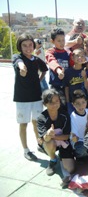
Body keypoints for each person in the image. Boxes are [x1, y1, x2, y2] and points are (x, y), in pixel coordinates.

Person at [13, 33, 48, 161]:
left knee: (36, 122)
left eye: (30, 45)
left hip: (36, 97)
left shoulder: (37, 60)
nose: (28, 48)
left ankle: (40, 144)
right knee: (23, 124)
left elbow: (44, 69)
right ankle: (26, 150)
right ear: (20, 46)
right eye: (24, 45)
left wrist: (40, 79)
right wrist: (22, 69)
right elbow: (19, 63)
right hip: (22, 98)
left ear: (34, 45)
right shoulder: (17, 57)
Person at [37, 89, 75, 181]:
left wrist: (54, 136)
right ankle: (53, 159)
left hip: (63, 141)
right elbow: (44, 139)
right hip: (50, 142)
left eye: (57, 101)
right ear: (45, 104)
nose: (54, 104)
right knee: (49, 143)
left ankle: (61, 154)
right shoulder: (41, 118)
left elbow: (67, 136)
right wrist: (48, 135)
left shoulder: (65, 115)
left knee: (70, 169)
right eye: (51, 102)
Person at [45, 28, 70, 106]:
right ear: (52, 41)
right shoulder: (50, 52)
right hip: (56, 86)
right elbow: (51, 61)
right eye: (59, 41)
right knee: (56, 106)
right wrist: (59, 70)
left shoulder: (68, 53)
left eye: (63, 40)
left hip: (67, 86)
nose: (62, 43)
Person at [63, 48, 88, 114]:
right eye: (77, 56)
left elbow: (87, 87)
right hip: (72, 102)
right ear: (72, 57)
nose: (80, 57)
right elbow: (66, 87)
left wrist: (84, 77)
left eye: (82, 56)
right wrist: (67, 101)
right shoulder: (68, 72)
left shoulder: (86, 71)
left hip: (84, 101)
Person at [70, 89, 88, 160]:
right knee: (82, 150)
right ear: (73, 104)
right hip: (79, 142)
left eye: (83, 102)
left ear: (86, 102)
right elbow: (74, 137)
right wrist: (75, 138)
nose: (81, 105)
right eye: (77, 103)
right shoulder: (73, 117)